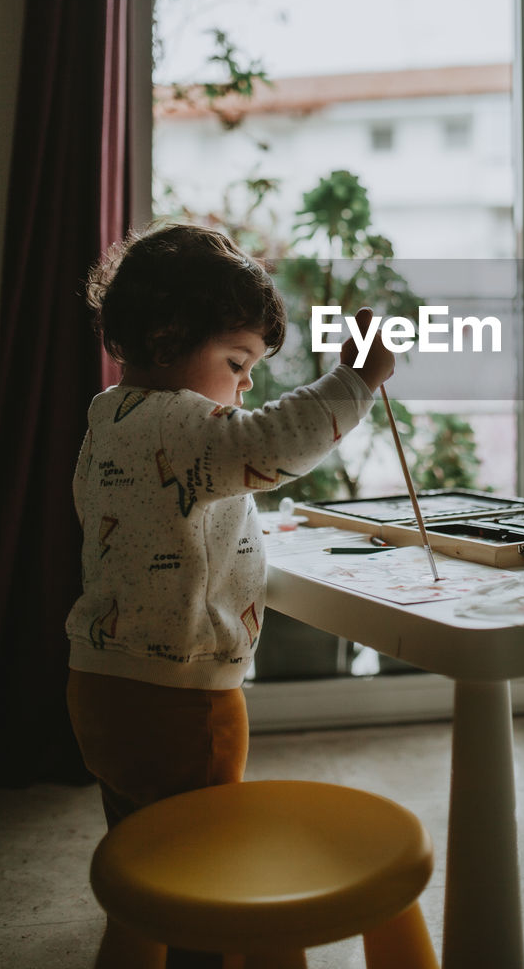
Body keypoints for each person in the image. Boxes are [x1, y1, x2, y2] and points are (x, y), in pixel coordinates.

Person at [65, 222, 394, 968]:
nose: (246, 385)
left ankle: (148, 940)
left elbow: (172, 519)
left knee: (149, 847)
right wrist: (356, 382)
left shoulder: (105, 419)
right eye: (236, 361)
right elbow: (269, 444)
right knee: (207, 867)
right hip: (180, 700)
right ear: (166, 337)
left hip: (100, 685)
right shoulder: (181, 423)